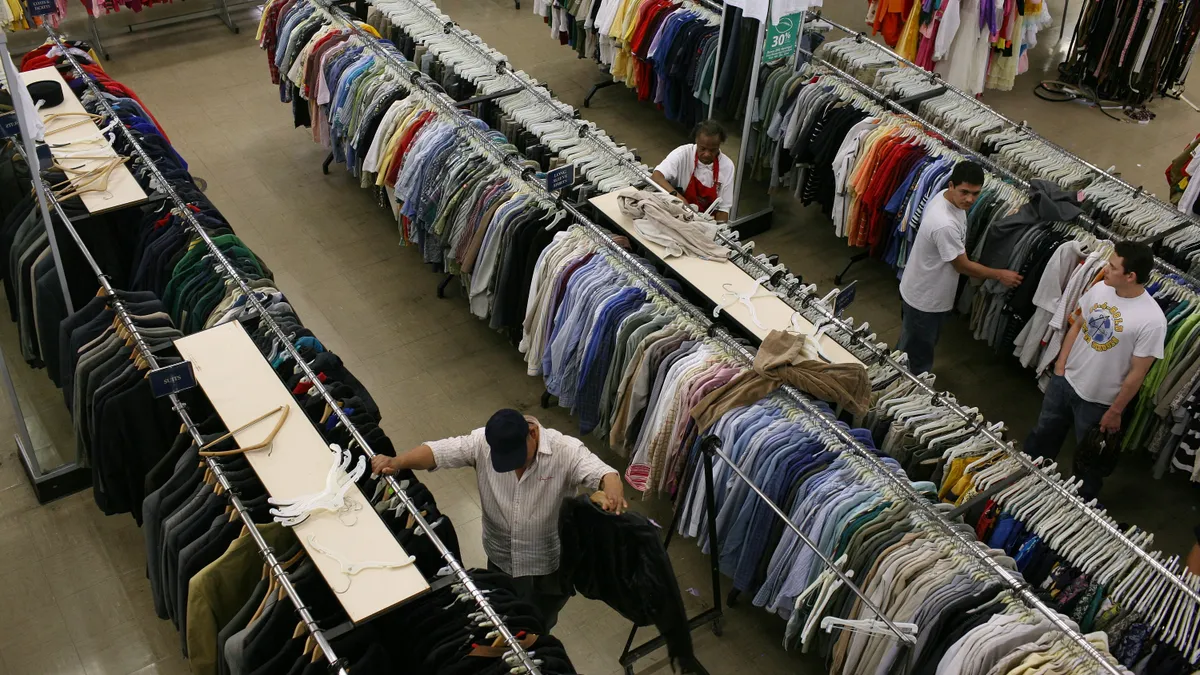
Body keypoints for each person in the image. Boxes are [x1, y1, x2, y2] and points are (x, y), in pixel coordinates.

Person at [369, 408, 626, 630]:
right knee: (501, 610)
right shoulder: (482, 442)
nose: (515, 468)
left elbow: (602, 473)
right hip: (501, 557)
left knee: (538, 622)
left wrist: (612, 488)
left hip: (548, 565)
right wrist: (398, 461)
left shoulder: (565, 451)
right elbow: (439, 452)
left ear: (533, 434)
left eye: (518, 460)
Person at [1024, 241, 1167, 496]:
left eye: (1113, 266)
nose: (1106, 269)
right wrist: (1060, 365)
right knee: (1043, 435)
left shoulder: (1152, 320)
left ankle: (1082, 506)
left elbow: (1138, 373)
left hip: (1099, 402)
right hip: (1065, 383)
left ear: (1130, 276)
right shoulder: (1101, 287)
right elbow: (1078, 324)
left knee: (1089, 462)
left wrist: (1115, 411)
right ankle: (1025, 478)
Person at [896, 161, 1023, 374]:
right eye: (964, 192)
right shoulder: (944, 223)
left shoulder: (946, 199)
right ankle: (907, 389)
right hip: (925, 300)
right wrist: (1000, 275)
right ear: (952, 185)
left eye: (975, 193)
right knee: (918, 356)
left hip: (920, 289)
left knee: (909, 343)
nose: (970, 199)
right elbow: (962, 265)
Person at [651, 119, 736, 222]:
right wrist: (682, 201)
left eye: (712, 150)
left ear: (719, 145)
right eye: (703, 149)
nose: (707, 154)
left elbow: (723, 209)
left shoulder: (727, 166)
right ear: (696, 141)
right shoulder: (682, 154)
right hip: (678, 213)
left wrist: (719, 229)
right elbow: (656, 177)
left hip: (705, 221)